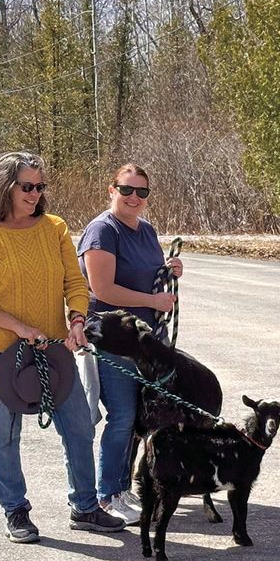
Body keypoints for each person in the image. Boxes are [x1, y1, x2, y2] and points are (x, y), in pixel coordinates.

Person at [0, 151, 127, 543]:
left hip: (52, 350)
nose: (35, 194)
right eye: (27, 186)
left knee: (80, 426)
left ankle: (85, 507)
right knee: (4, 433)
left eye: (40, 186)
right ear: (5, 187)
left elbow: (74, 283)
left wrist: (78, 319)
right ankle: (16, 510)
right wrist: (17, 327)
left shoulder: (54, 228)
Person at [78, 163, 181, 524]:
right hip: (113, 339)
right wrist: (153, 302)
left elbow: (146, 273)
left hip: (146, 341)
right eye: (127, 190)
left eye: (142, 192)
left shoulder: (146, 230)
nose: (134, 198)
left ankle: (123, 488)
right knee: (121, 416)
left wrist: (168, 270)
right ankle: (108, 495)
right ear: (112, 190)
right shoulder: (102, 231)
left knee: (138, 417)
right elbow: (102, 290)